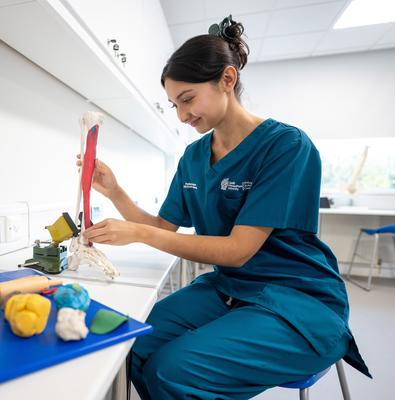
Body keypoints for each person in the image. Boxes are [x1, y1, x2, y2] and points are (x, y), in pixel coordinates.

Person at [83, 15, 371, 400]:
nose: (183, 116)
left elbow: (237, 251)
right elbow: (164, 227)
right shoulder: (194, 156)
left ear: (228, 80)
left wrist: (138, 233)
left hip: (296, 300)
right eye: (174, 105)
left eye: (187, 99)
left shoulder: (286, 147)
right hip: (230, 289)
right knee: (131, 344)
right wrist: (115, 192)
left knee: (173, 371)